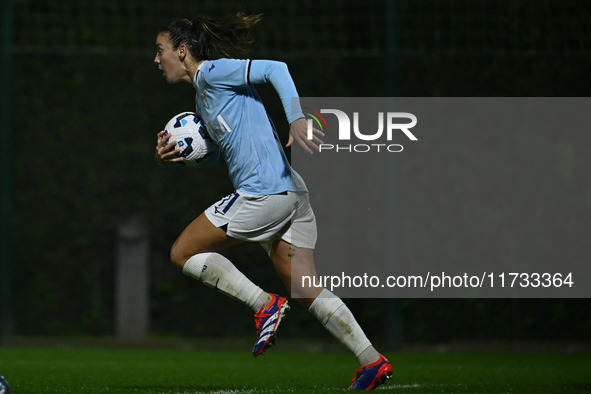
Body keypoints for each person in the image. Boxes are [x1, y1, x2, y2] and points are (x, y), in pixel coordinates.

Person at [153, 12, 392, 391]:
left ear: (182, 52)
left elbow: (276, 69)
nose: (156, 58)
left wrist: (296, 118)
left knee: (182, 252)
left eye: (160, 50)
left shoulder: (214, 72)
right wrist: (186, 153)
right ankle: (371, 360)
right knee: (305, 288)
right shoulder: (204, 94)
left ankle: (264, 305)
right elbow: (219, 149)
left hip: (263, 194)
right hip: (290, 194)